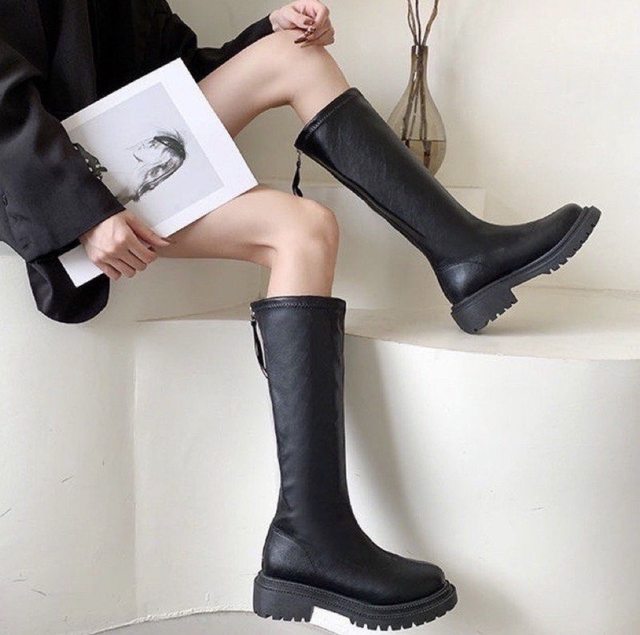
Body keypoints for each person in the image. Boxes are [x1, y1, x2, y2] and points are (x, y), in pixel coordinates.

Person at [0, 0, 603, 629]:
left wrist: (268, 31)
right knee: (301, 223)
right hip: (45, 182)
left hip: (107, 151)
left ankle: (461, 258)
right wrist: (82, 211)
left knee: (296, 76)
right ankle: (311, 533)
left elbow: (166, 76)